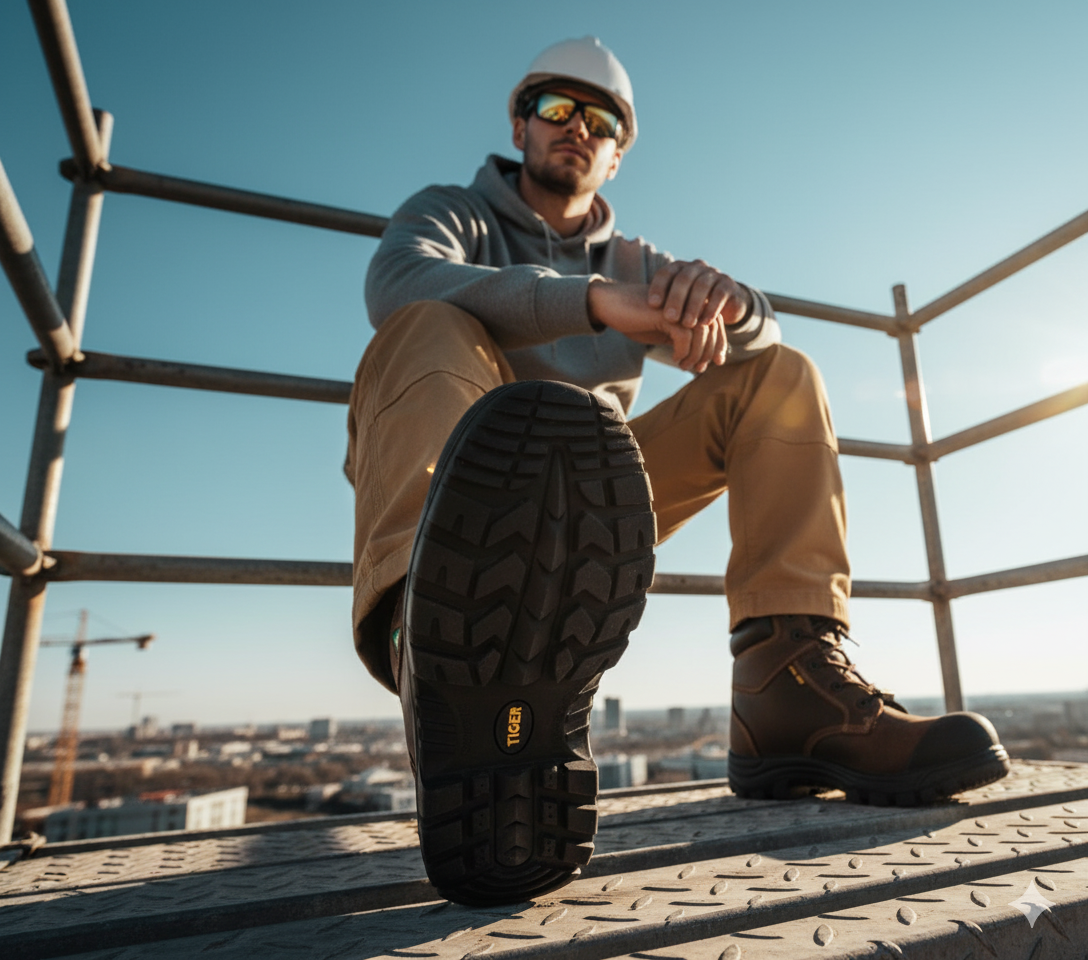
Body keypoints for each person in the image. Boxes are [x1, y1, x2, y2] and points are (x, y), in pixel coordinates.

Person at [345, 37, 1010, 906]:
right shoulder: (450, 212)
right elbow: (396, 283)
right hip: (453, 512)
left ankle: (789, 688)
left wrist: (718, 303)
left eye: (602, 119)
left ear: (619, 150)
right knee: (428, 322)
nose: (577, 129)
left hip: (591, 504)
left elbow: (761, 330)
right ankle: (429, 643)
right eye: (556, 109)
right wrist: (586, 301)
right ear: (519, 122)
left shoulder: (637, 257)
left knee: (782, 375)